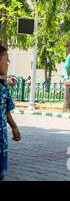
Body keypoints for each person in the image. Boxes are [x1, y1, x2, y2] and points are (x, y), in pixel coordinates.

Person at [0, 45, 21, 181]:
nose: (7, 64)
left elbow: (6, 109)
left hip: (2, 144)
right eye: (6, 60)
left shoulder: (3, 86)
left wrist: (14, 126)